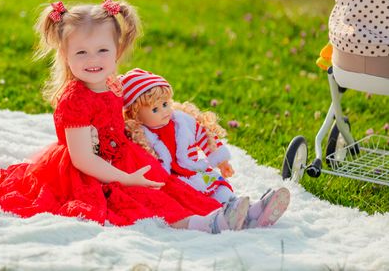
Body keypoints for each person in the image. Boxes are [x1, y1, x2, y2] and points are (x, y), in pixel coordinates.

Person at [0, 0, 253, 234]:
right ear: (65, 55)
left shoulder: (113, 85)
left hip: (124, 157)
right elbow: (83, 159)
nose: (93, 60)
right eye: (81, 53)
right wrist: (125, 178)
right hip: (89, 172)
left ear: (117, 50)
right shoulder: (75, 101)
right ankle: (205, 224)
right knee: (139, 201)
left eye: (102, 50)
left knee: (168, 185)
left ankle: (229, 211)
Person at [120, 68, 290, 228]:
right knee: (197, 201)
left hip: (194, 171)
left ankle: (250, 210)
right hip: (175, 181)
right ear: (136, 115)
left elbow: (206, 137)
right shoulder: (141, 136)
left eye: (165, 104)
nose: (164, 111)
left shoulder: (181, 122)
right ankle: (229, 217)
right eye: (155, 109)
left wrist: (221, 161)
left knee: (220, 188)